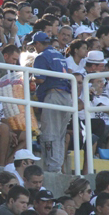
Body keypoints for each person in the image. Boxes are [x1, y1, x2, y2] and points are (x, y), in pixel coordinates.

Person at [31, 31, 72, 172]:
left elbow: (41, 79)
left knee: (50, 134)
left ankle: (52, 169)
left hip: (54, 96)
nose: (34, 49)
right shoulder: (59, 55)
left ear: (37, 43)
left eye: (34, 45)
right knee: (60, 135)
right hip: (66, 97)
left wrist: (31, 78)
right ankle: (57, 168)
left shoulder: (41, 56)